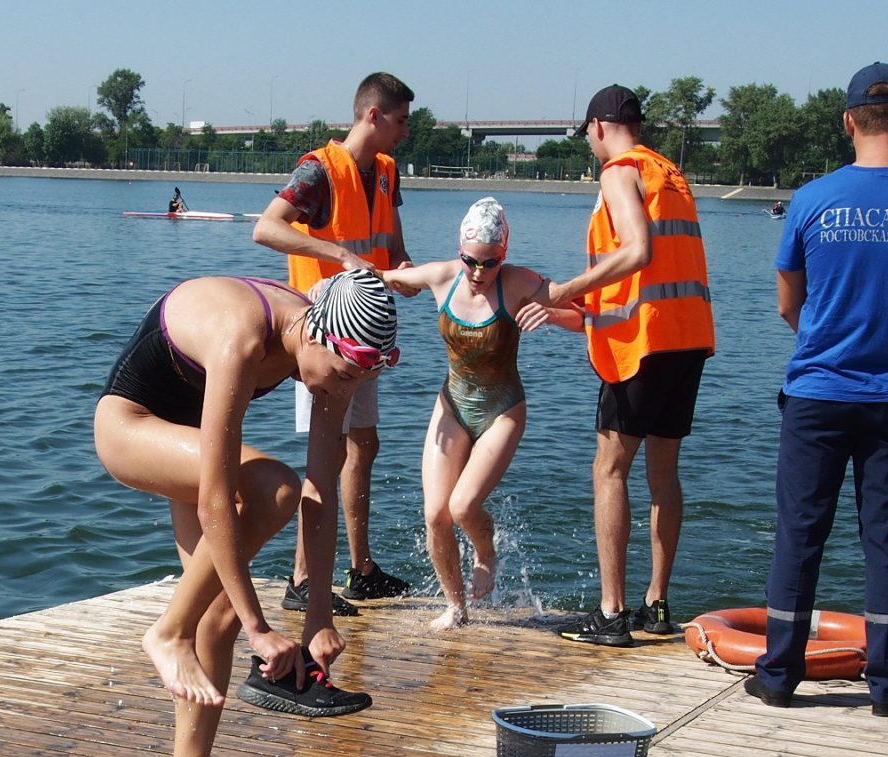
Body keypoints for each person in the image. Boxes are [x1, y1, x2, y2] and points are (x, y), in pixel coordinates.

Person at [93, 269, 400, 757]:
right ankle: (166, 633)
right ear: (314, 336)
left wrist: (317, 619)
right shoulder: (241, 332)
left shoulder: (330, 360)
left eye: (357, 382)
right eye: (339, 376)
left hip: (187, 438)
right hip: (130, 430)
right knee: (270, 488)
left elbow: (321, 492)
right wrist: (263, 629)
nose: (339, 392)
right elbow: (217, 496)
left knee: (219, 618)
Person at [747, 62, 888, 717]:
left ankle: (780, 676)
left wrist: (827, 339)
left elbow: (790, 304)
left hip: (818, 390)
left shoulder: (813, 199)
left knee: (800, 534)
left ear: (848, 121)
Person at [537, 85, 715, 648]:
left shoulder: (619, 172)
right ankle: (656, 604)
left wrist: (566, 289)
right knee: (663, 473)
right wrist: (581, 316)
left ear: (596, 127)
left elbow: (637, 252)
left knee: (609, 469)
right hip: (687, 340)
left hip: (643, 346)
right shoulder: (671, 174)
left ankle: (611, 614)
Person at [252, 72, 417, 615]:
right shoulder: (318, 169)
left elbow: (391, 245)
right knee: (325, 453)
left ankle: (360, 569)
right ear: (372, 115)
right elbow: (266, 228)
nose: (404, 132)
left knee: (363, 444)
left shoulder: (388, 173)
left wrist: (413, 275)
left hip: (366, 335)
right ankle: (302, 579)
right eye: (399, 121)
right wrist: (343, 257)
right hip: (320, 336)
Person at [382, 197, 578, 629]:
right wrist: (332, 283)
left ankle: (486, 553)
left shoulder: (518, 282)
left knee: (464, 505)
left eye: (489, 264)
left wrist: (552, 314)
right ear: (460, 252)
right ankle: (456, 606)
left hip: (502, 409)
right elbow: (385, 276)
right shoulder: (443, 277)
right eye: (470, 261)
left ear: (503, 256)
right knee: (436, 514)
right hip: (452, 403)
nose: (477, 273)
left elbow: (581, 316)